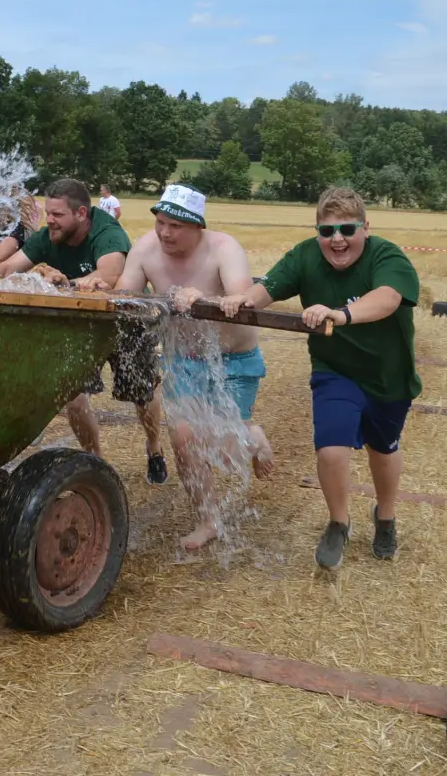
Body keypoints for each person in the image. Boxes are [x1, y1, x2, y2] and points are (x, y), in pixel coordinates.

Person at [218, 187, 420, 569]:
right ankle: (338, 522)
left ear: (365, 228)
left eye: (347, 229)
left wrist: (340, 314)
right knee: (331, 448)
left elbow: (389, 298)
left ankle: (386, 517)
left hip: (387, 376)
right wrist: (244, 300)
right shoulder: (305, 256)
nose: (337, 239)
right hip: (334, 371)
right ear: (317, 234)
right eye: (327, 232)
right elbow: (268, 288)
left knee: (384, 448)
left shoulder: (387, 256)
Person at [117, 184, 273, 552]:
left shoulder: (224, 248)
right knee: (183, 439)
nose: (165, 232)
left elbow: (241, 295)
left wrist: (203, 298)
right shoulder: (145, 248)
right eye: (160, 222)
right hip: (182, 359)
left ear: (198, 226)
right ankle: (208, 520)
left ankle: (252, 437)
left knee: (218, 447)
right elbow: (125, 292)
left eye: (175, 226)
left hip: (233, 360)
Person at [0, 178, 165, 480]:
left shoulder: (107, 232)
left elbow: (110, 275)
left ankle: (154, 446)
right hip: (82, 321)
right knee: (71, 392)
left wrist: (66, 283)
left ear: (81, 214)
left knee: (142, 392)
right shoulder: (48, 236)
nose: (50, 220)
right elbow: (6, 269)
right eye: (48, 213)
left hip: (126, 321)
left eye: (57, 214)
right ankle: (94, 462)